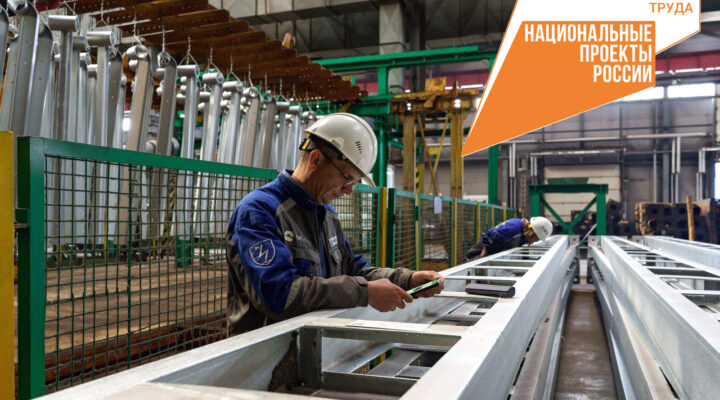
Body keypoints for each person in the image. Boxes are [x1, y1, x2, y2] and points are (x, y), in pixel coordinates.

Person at [226, 113, 444, 335]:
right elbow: (280, 294)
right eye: (347, 178)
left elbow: (352, 268)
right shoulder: (259, 211)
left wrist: (406, 279)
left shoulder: (327, 214)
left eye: (355, 183)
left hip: (313, 345)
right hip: (265, 351)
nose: (349, 190)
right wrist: (364, 292)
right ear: (315, 159)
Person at [465, 216, 552, 260]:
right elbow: (490, 236)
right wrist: (484, 253)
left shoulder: (523, 232)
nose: (535, 241)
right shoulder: (514, 229)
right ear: (533, 233)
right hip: (481, 252)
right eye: (537, 239)